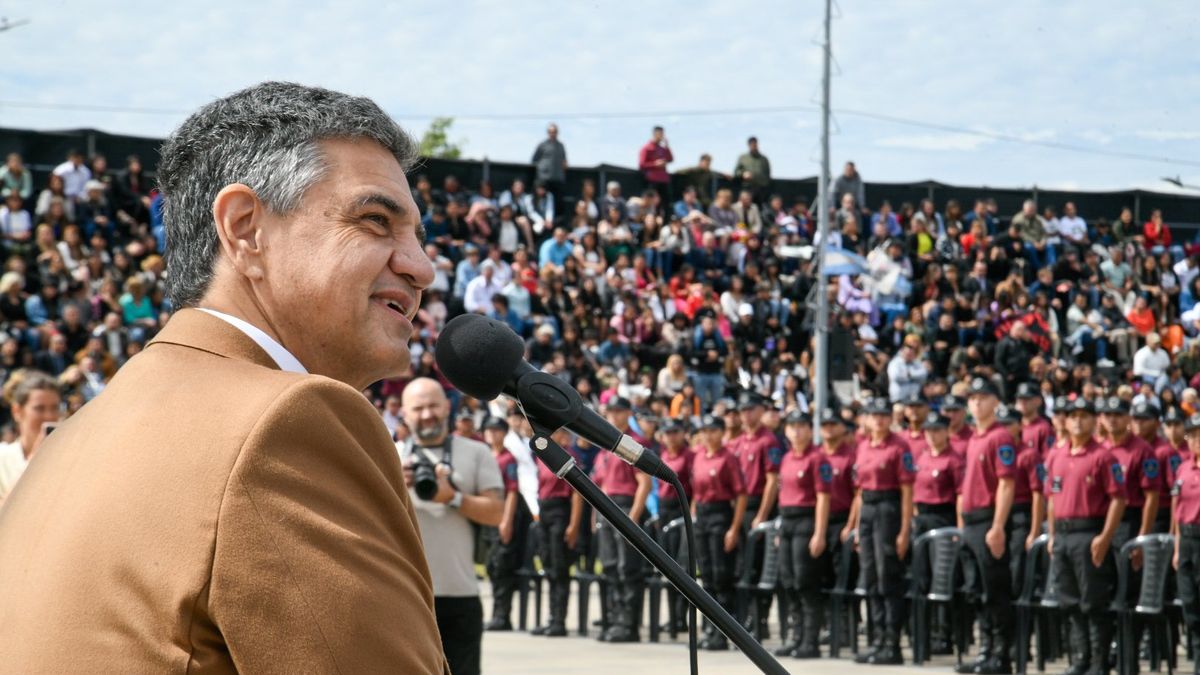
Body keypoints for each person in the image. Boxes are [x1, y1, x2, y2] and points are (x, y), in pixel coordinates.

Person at [0, 82, 448, 672]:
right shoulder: (291, 420)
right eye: (375, 221)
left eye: (417, 234)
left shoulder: (73, 436)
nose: (422, 268)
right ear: (245, 229)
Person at [399, 378, 504, 675]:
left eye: (433, 405)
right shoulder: (389, 456)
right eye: (418, 408)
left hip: (460, 595)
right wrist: (396, 486)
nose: (427, 414)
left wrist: (453, 497)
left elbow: (496, 512)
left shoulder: (476, 452)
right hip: (406, 599)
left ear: (447, 407)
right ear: (404, 414)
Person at [1044, 397, 1126, 675]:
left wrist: (1105, 536)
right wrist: (1052, 533)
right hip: (1064, 534)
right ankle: (1081, 657)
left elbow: (1118, 499)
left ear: (1095, 421)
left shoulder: (1102, 456)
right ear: (1065, 421)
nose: (1078, 421)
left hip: (1089, 531)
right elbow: (1052, 498)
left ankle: (1098, 662)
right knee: (1069, 600)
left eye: (1084, 415)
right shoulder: (1056, 455)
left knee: (1094, 601)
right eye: (1072, 415)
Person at [955, 378, 1018, 675]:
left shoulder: (1000, 437)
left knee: (995, 591)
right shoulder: (974, 438)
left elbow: (1006, 484)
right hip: (970, 522)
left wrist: (998, 526)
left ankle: (1001, 655)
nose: (977, 403)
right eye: (972, 398)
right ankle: (985, 650)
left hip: (987, 520)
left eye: (983, 397)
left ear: (996, 402)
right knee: (976, 591)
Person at [851, 396, 915, 666]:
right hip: (868, 509)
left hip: (888, 508)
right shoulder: (863, 445)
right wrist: (856, 526)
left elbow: (907, 492)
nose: (878, 420)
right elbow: (859, 490)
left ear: (890, 418)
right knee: (870, 576)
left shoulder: (900, 446)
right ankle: (877, 639)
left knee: (888, 575)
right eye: (873, 415)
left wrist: (904, 530)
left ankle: (892, 642)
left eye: (883, 415)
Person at [592, 396, 652, 643]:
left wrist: (633, 518)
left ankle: (629, 624)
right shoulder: (604, 444)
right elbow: (600, 484)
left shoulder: (633, 443)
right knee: (609, 566)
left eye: (618, 411)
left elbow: (644, 483)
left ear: (628, 413)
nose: (613, 416)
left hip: (626, 507)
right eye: (610, 411)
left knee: (628, 568)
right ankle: (615, 619)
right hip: (606, 507)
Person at [690, 413, 747, 651]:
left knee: (722, 573)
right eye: (704, 431)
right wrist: (693, 514)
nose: (708, 435)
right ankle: (710, 628)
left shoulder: (729, 458)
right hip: (702, 515)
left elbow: (741, 494)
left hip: (720, 514)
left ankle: (724, 631)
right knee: (707, 575)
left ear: (721, 433)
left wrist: (734, 528)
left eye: (713, 431)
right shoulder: (700, 456)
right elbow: (694, 489)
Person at [729, 391, 784, 639]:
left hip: (758, 505)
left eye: (751, 409)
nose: (746, 415)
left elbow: (772, 481)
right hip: (739, 505)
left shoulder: (768, 441)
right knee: (741, 566)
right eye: (743, 410)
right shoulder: (738, 442)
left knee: (759, 565)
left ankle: (759, 618)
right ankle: (745, 616)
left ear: (761, 411)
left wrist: (762, 514)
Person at [911, 411, 963, 654]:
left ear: (946, 432)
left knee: (942, 577)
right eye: (928, 431)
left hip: (943, 516)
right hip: (921, 517)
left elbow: (960, 495)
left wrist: (959, 528)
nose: (932, 436)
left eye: (937, 431)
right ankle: (925, 632)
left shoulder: (954, 459)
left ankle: (944, 634)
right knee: (921, 576)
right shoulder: (921, 457)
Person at [531, 427, 584, 637]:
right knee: (549, 565)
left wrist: (573, 525)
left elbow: (578, 494)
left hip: (561, 512)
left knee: (560, 567)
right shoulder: (543, 458)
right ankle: (551, 617)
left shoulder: (570, 457)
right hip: (544, 511)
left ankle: (559, 619)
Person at [483, 417, 530, 633]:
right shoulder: (485, 456)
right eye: (489, 430)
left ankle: (502, 615)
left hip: (503, 515)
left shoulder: (508, 459)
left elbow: (512, 491)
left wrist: (507, 521)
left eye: (496, 430)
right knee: (492, 566)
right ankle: (496, 613)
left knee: (503, 566)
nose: (492, 434)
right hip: (488, 517)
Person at [655, 418, 693, 634]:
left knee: (682, 567)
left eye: (675, 432)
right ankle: (672, 617)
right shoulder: (663, 455)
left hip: (681, 508)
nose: (671, 437)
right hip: (664, 509)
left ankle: (681, 617)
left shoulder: (689, 456)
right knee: (667, 568)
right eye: (667, 433)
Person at [0, 370, 61, 501]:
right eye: (39, 408)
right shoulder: (3, 458)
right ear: (17, 411)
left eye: (54, 408)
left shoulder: (69, 457)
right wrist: (33, 463)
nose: (49, 416)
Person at [1172, 414, 1200, 675]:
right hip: (1188, 538)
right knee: (1189, 602)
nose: (1196, 440)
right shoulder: (1183, 468)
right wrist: (1178, 548)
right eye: (1192, 435)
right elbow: (1178, 510)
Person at [531, 123, 567, 212]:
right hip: (544, 179)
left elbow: (564, 161)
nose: (552, 134)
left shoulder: (561, 146)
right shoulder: (542, 145)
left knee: (557, 202)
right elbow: (534, 159)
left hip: (557, 179)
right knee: (542, 200)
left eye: (554, 132)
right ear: (548, 133)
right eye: (550, 132)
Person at [637, 126, 673, 203]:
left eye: (662, 134)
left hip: (664, 179)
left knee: (666, 201)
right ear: (654, 134)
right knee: (653, 202)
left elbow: (670, 159)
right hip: (652, 180)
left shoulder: (662, 148)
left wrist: (667, 147)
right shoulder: (646, 148)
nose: (662, 136)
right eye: (660, 133)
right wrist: (655, 164)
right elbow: (641, 164)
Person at [734, 137, 771, 204]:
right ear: (748, 145)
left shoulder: (764, 159)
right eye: (751, 144)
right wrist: (743, 174)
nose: (754, 146)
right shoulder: (743, 158)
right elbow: (736, 172)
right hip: (747, 188)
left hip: (760, 190)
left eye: (755, 144)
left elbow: (768, 175)